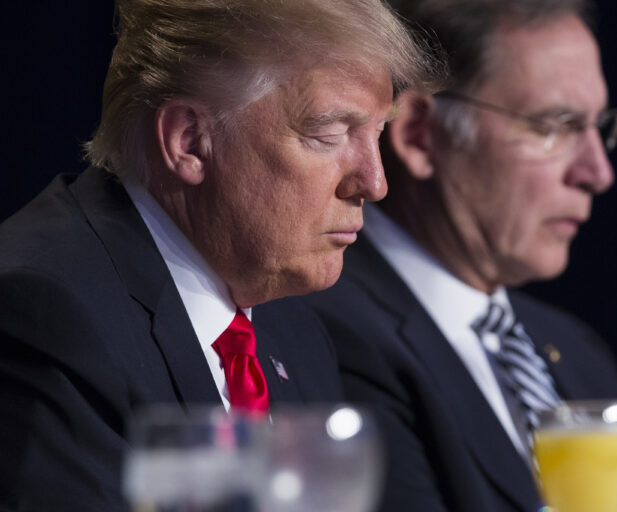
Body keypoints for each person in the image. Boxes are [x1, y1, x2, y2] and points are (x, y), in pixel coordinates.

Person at [0, 0, 435, 510]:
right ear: (189, 142)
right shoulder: (46, 319)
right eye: (330, 134)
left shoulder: (295, 327)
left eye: (377, 135)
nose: (375, 183)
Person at [303, 0, 617, 510]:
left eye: (598, 127)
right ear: (419, 135)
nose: (597, 172)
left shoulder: (579, 352)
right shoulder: (327, 336)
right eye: (555, 126)